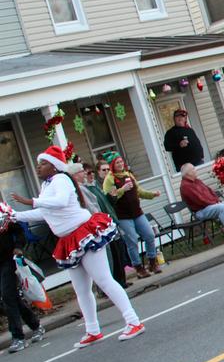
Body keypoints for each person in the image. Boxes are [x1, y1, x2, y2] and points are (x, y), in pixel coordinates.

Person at [12, 146, 144, 347]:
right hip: (67, 240)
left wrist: (31, 201)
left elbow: (61, 201)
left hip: (83, 233)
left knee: (104, 280)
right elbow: (45, 213)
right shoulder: (47, 186)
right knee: (81, 289)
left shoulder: (62, 180)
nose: (38, 167)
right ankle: (92, 330)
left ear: (54, 166)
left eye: (43, 163)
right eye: (39, 164)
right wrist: (14, 216)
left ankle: (133, 321)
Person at [102, 152, 163, 277]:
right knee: (132, 241)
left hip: (137, 212)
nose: (120, 164)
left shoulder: (128, 175)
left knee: (149, 235)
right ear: (113, 165)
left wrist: (152, 194)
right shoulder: (110, 179)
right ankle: (138, 267)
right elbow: (109, 198)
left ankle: (152, 262)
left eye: (121, 162)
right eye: (117, 163)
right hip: (123, 216)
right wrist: (122, 189)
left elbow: (139, 191)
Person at [71, 162, 130, 289]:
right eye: (85, 172)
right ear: (75, 175)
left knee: (117, 252)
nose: (88, 175)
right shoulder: (81, 189)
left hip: (106, 221)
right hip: (96, 226)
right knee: (107, 257)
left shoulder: (94, 186)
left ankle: (119, 281)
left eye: (91, 172)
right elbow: (92, 208)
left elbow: (103, 203)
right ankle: (107, 286)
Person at [1, 212, 44, 353]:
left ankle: (18, 337)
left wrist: (18, 247)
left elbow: (19, 230)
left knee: (8, 296)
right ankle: (36, 326)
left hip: (7, 260)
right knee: (11, 298)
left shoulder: (2, 213)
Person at [179, 163, 224, 242]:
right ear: (188, 173)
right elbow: (199, 200)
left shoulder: (197, 181)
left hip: (211, 205)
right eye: (193, 169)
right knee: (220, 207)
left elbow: (210, 191)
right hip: (200, 211)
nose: (196, 170)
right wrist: (214, 203)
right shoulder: (185, 186)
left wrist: (217, 201)